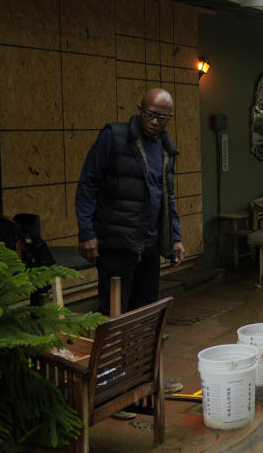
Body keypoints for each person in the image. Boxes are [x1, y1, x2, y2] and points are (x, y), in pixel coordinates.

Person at [75, 88, 185, 402]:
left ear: (169, 118)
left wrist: (175, 237)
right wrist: (87, 233)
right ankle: (110, 389)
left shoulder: (165, 148)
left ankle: (144, 380)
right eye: (150, 113)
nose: (154, 121)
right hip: (115, 244)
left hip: (148, 246)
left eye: (161, 117)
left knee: (146, 316)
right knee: (113, 318)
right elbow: (87, 184)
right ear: (139, 109)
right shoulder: (114, 137)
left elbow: (169, 197)